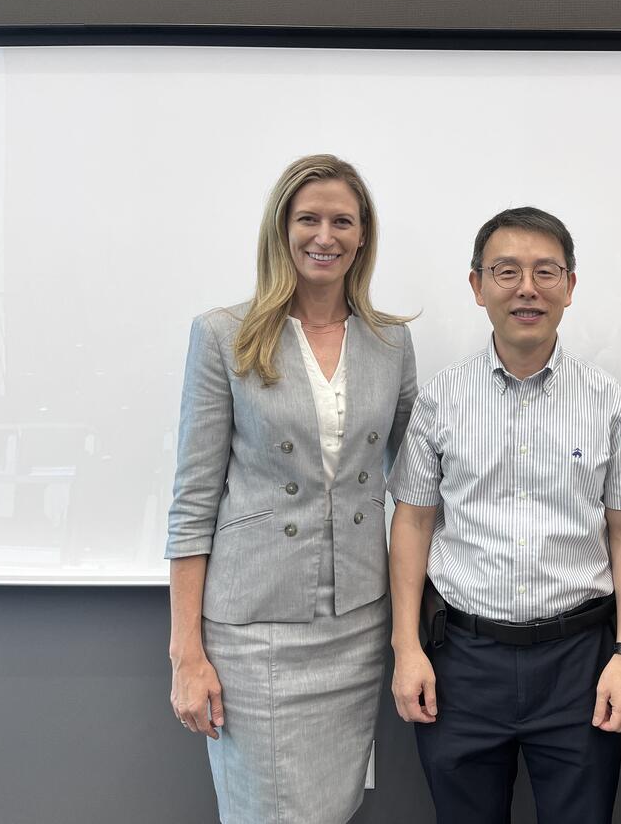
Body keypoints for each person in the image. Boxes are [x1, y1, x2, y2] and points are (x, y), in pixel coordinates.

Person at [166, 154, 417, 824]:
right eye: (308, 218)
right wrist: (186, 653)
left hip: (358, 624)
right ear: (282, 228)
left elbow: (419, 479)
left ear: (363, 234)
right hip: (255, 632)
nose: (324, 235)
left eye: (342, 220)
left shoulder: (391, 341)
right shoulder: (225, 335)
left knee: (332, 809)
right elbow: (192, 501)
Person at [388, 207, 621, 824]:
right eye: (507, 271)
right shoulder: (442, 398)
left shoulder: (608, 401)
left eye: (545, 272)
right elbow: (413, 521)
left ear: (570, 285)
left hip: (581, 664)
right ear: (477, 286)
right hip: (461, 663)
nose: (527, 288)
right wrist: (406, 647)